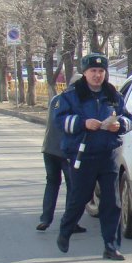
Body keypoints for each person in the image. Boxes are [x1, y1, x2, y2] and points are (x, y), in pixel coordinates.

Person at [54, 52, 132, 260]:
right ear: (85, 73)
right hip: (82, 154)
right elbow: (60, 121)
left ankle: (111, 246)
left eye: (101, 71)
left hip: (109, 154)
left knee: (112, 202)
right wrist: (83, 123)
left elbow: (127, 119)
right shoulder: (71, 95)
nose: (97, 75)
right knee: (79, 198)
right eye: (93, 71)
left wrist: (119, 125)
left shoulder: (113, 95)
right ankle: (65, 229)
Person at [37, 91, 87, 235]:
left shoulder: (56, 99)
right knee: (73, 187)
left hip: (48, 149)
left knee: (52, 183)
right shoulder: (77, 101)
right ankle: (70, 222)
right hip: (66, 151)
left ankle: (45, 219)